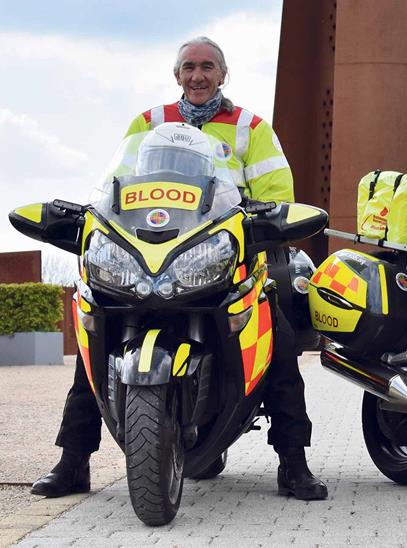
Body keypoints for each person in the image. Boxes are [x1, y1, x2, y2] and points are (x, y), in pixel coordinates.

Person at [31, 36, 327, 501]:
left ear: (223, 74)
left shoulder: (250, 127)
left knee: (279, 347)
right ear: (176, 75)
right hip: (149, 256)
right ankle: (73, 463)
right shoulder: (148, 123)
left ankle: (294, 463)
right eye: (189, 67)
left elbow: (278, 194)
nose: (198, 76)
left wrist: (262, 221)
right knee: (96, 340)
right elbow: (113, 189)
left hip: (225, 258)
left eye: (207, 66)